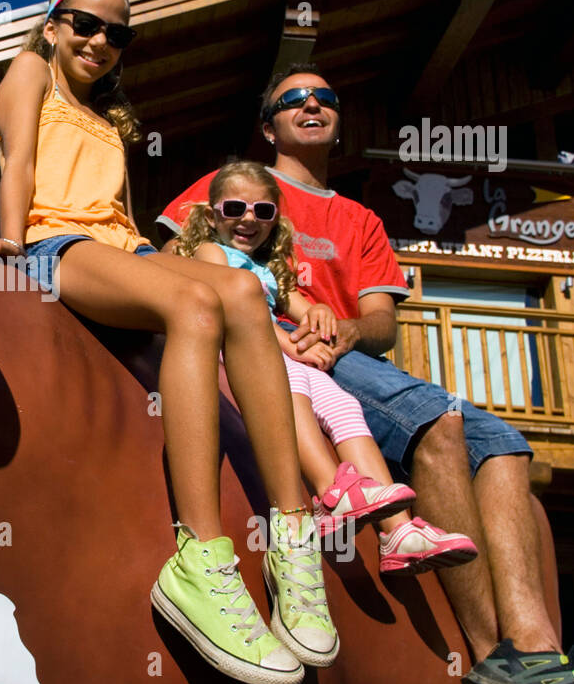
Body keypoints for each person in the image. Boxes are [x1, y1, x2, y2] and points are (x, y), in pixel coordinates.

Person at [158, 65, 574, 684]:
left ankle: (537, 648)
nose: (312, 105)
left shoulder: (361, 219)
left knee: (507, 444)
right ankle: (493, 654)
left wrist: (344, 330)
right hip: (269, 342)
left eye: (325, 97)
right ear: (268, 127)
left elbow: (381, 320)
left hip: (343, 350)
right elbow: (170, 258)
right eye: (293, 99)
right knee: (439, 419)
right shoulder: (237, 186)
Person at [0, 0, 336, 684]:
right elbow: (17, 161)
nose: (100, 40)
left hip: (117, 248)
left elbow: (126, 224)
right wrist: (8, 243)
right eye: (86, 24)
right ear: (53, 24)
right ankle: (199, 556)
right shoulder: (30, 71)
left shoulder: (112, 121)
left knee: (241, 293)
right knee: (193, 308)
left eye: (116, 33)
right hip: (52, 246)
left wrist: (178, 262)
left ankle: (293, 533)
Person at [177, 160, 478, 574]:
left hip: (280, 351)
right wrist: (286, 343)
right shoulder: (211, 253)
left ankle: (398, 529)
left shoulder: (265, 271)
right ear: (213, 216)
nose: (248, 219)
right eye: (235, 209)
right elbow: (233, 307)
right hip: (247, 352)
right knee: (292, 396)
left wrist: (317, 311)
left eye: (262, 211)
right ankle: (331, 492)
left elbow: (298, 308)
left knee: (345, 407)